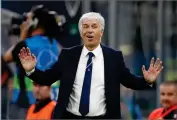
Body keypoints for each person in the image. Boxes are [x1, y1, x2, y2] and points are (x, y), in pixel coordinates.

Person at [18, 12, 163, 119]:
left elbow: (129, 80)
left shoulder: (114, 57)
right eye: (85, 27)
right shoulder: (68, 55)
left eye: (94, 26)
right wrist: (30, 69)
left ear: (101, 32)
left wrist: (147, 80)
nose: (89, 30)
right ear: (81, 33)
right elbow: (47, 78)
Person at [3, 5, 62, 119]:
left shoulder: (28, 44)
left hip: (25, 103)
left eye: (28, 20)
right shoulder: (56, 45)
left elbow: (7, 57)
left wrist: (23, 33)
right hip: (50, 103)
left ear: (34, 23)